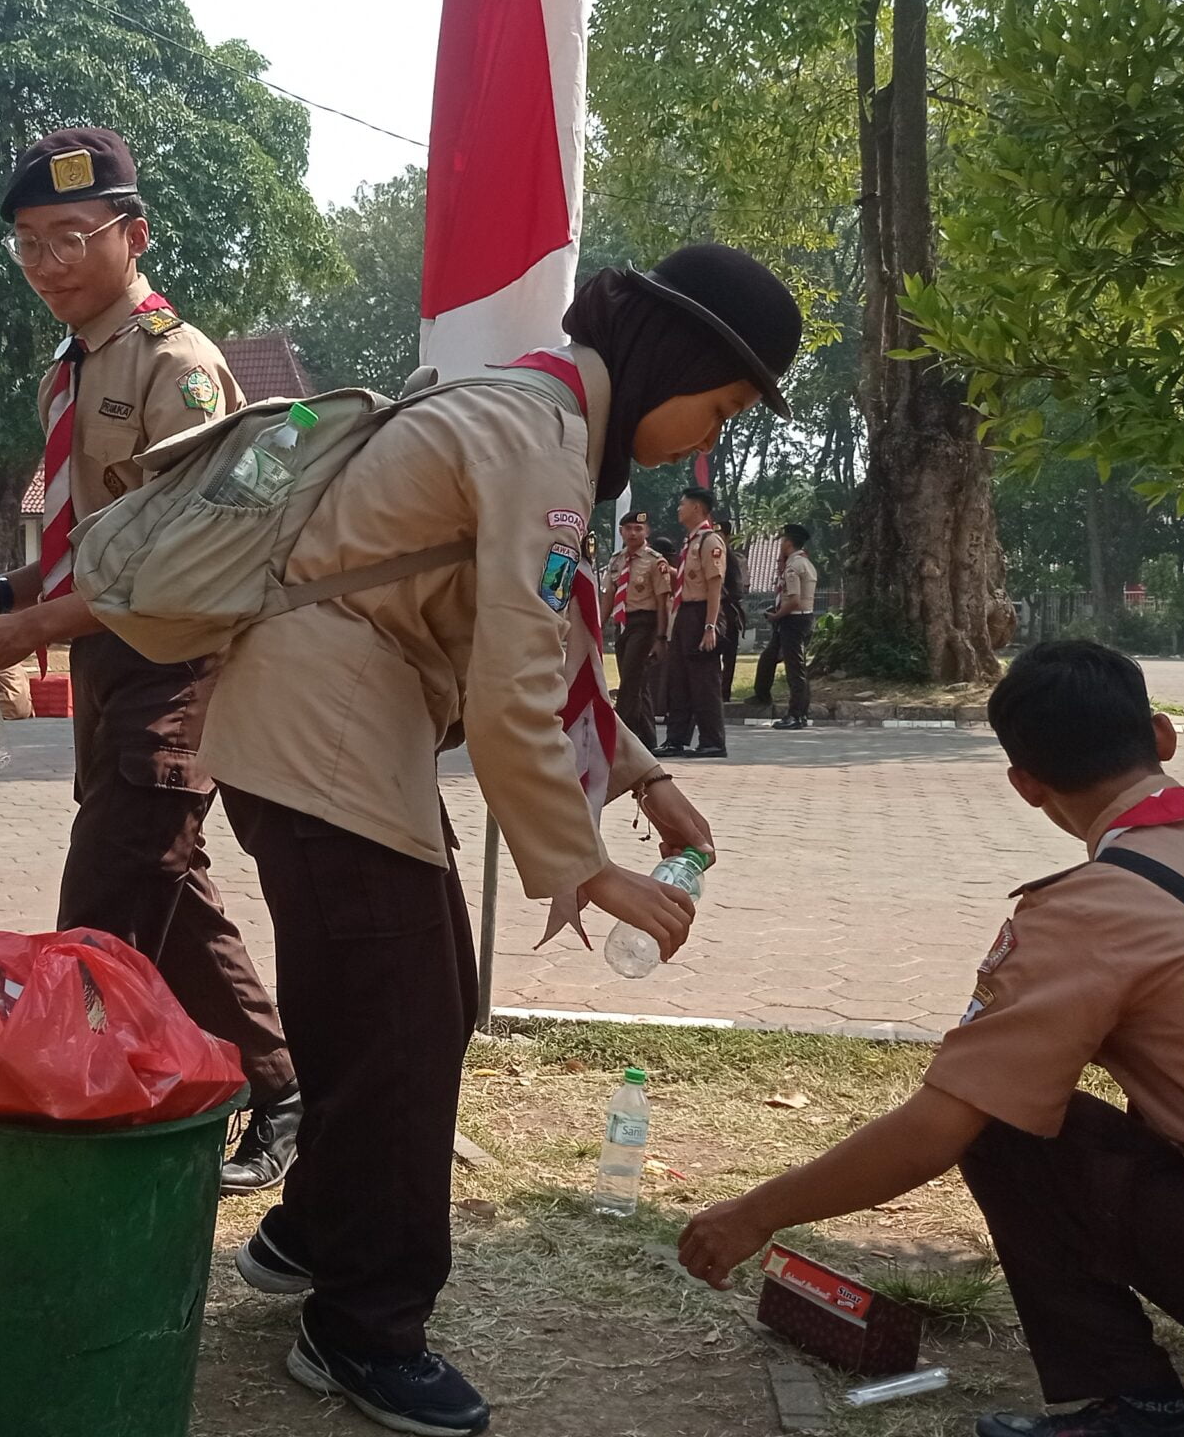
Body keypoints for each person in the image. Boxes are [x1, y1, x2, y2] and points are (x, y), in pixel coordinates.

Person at [198, 244, 787, 1436]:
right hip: (326, 734)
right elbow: (517, 679)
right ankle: (364, 1327)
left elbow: (546, 648)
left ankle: (308, 1235)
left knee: (388, 1013)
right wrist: (582, 866)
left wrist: (645, 779)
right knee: (407, 1029)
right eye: (715, 406)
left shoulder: (536, 416)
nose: (704, 442)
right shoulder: (538, 440)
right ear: (669, 358)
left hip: (315, 730)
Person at [677, 639, 1184, 1437]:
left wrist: (754, 1215)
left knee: (1002, 1124)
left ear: (1025, 785)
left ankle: (1132, 1403)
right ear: (1161, 736)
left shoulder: (1085, 912)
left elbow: (938, 1128)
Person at [0, 127, 302, 1199]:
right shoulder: (68, 372)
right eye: (28, 245)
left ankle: (76, 1128)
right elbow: (95, 540)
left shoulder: (180, 368)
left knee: (99, 911)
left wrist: (28, 629)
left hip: (176, 670)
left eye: (72, 238)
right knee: (169, 888)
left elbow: (199, 563)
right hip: (104, 664)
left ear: (134, 234)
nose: (48, 265)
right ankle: (280, 1091)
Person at [660, 485, 728, 759]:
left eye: (682, 504)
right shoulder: (690, 543)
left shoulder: (710, 542)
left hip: (701, 613)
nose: (679, 508)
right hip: (685, 613)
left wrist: (710, 627)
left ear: (697, 508)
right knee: (679, 680)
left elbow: (714, 587)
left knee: (704, 682)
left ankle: (713, 741)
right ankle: (676, 739)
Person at [602, 510, 673, 752]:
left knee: (631, 683)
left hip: (646, 623)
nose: (633, 533)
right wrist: (598, 626)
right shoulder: (616, 560)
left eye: (638, 529)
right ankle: (647, 742)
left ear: (647, 532)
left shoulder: (655, 561)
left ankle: (622, 739)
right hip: (622, 624)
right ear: (621, 531)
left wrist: (661, 637)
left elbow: (663, 602)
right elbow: (609, 596)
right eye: (628, 528)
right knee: (637, 683)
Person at [753, 523, 817, 729]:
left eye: (783, 540)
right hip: (797, 618)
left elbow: (795, 600)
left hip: (794, 620)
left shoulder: (794, 566)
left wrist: (776, 616)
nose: (781, 543)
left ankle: (797, 714)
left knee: (795, 668)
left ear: (788, 543)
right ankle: (762, 695)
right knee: (769, 657)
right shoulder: (803, 563)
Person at [717, 517, 749, 699]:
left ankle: (724, 692)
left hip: (728, 611)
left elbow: (738, 589)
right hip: (716, 610)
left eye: (720, 535)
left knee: (729, 655)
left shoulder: (732, 558)